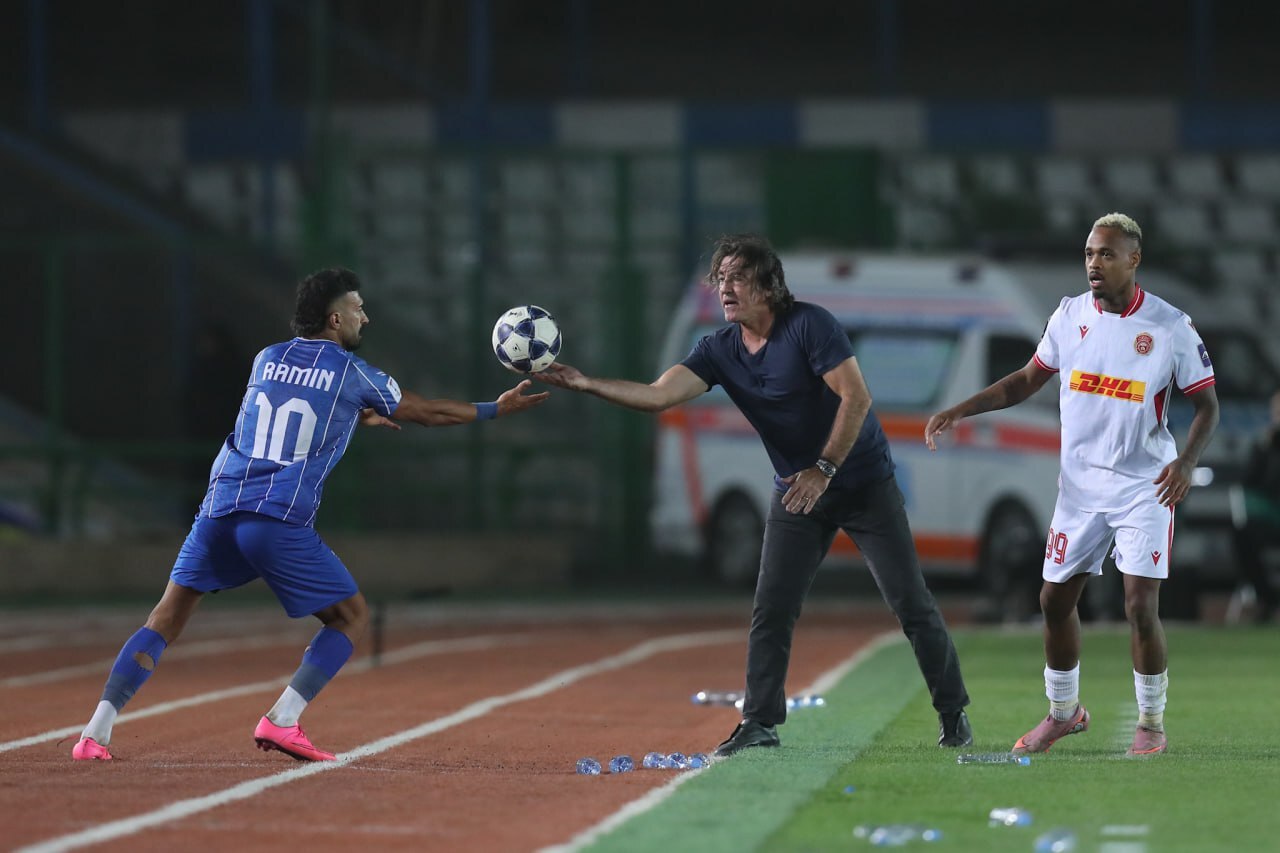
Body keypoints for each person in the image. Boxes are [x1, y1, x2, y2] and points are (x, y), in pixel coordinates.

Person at [72, 267, 549, 762]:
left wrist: (353, 414)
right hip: (274, 517)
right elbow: (428, 412)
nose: (366, 317)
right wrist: (495, 409)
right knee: (351, 616)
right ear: (335, 318)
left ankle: (93, 733)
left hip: (218, 508)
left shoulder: (265, 358)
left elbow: (288, 406)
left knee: (165, 617)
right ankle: (282, 719)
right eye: (358, 308)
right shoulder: (351, 372)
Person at [532, 234, 973, 757]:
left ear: (768, 285)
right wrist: (586, 384)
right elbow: (657, 395)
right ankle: (759, 722)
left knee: (910, 603)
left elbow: (856, 398)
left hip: (862, 485)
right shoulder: (719, 349)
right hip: (796, 493)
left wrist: (824, 469)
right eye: (721, 278)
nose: (726, 287)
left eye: (738, 277)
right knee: (772, 609)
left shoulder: (809, 325)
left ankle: (953, 712)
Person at [925, 212, 1219, 757]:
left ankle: (1151, 722)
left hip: (1144, 486)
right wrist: (961, 409)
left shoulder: (1169, 326)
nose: (1094, 264)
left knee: (1139, 605)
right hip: (1080, 489)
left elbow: (1207, 406)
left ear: (1134, 259)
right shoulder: (1068, 316)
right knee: (1053, 601)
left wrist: (1184, 463)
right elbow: (1025, 380)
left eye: (1106, 254)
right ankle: (1064, 714)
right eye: (1088, 253)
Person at [1232, 389, 1280, 623]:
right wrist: (1265, 448)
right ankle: (1267, 599)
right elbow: (1248, 480)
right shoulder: (1265, 444)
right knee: (1243, 536)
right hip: (1271, 519)